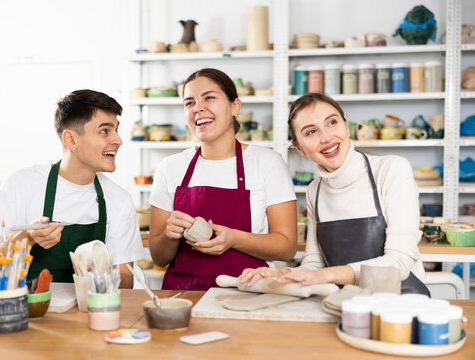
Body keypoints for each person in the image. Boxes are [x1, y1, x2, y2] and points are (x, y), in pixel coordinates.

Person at [240, 93, 430, 295]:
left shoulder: (391, 169)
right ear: (299, 148)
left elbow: (398, 262)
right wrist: (282, 274)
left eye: (332, 122)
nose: (326, 137)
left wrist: (325, 275)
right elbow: (313, 264)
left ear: (346, 126)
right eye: (311, 132)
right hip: (345, 303)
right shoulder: (316, 190)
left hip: (401, 301)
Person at [0, 89, 144, 287]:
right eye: (105, 131)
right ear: (70, 140)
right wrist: (26, 239)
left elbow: (126, 278)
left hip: (91, 313)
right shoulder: (18, 185)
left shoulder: (119, 200)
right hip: (24, 312)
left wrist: (98, 275)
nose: (118, 140)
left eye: (116, 130)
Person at [148, 68, 298, 290]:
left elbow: (287, 247)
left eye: (209, 97)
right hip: (182, 295)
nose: (198, 108)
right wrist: (169, 236)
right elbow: (158, 257)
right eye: (189, 102)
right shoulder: (170, 168)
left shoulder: (267, 163)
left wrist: (234, 239)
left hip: (247, 292)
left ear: (235, 106)